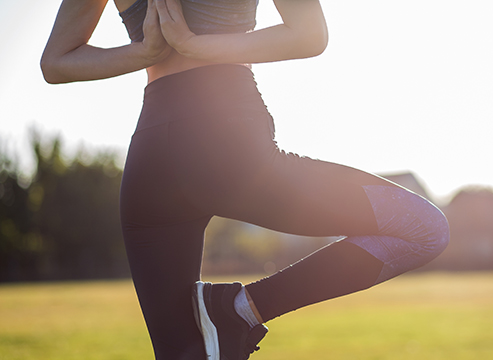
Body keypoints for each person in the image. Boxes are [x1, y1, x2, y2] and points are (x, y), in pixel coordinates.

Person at [41, 0, 450, 359]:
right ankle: (236, 308)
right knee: (423, 229)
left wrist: (145, 50)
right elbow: (310, 35)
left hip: (151, 160)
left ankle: (229, 313)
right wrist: (200, 45)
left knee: (183, 355)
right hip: (231, 149)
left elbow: (56, 61)